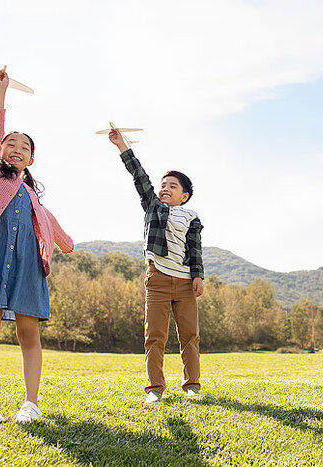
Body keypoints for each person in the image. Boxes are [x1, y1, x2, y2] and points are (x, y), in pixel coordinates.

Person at [0, 68, 74, 422]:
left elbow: (57, 232)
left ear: (32, 159)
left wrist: (66, 242)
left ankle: (31, 403)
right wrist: (0, 93)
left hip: (29, 268)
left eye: (24, 147)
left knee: (29, 333)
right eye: (11, 144)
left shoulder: (34, 197)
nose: (16, 149)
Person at [108, 130, 204, 404]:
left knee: (190, 336)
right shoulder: (153, 206)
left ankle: (192, 386)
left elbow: (195, 249)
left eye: (172, 186)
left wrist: (198, 276)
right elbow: (139, 176)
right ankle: (154, 389)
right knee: (155, 336)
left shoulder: (192, 216)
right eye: (163, 184)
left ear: (184, 196)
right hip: (158, 280)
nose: (165, 188)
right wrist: (122, 146)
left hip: (185, 283)